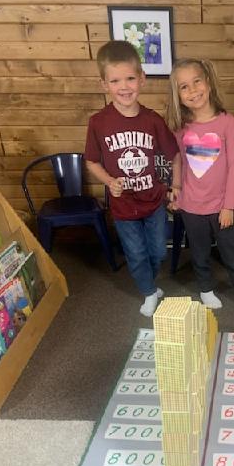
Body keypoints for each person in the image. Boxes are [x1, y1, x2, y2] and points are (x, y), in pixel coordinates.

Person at [84, 40, 179, 317]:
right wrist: (109, 181)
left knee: (158, 250)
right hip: (123, 205)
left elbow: (174, 155)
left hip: (153, 200)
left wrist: (177, 186)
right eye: (115, 80)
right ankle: (149, 291)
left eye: (130, 78)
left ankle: (149, 280)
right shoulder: (98, 122)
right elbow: (91, 161)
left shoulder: (152, 120)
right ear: (104, 84)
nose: (124, 86)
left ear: (142, 79)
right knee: (136, 253)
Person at [166, 58, 234, 317]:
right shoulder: (181, 127)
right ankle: (205, 289)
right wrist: (176, 192)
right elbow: (180, 162)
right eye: (184, 87)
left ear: (208, 82)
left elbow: (233, 167)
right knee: (199, 252)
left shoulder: (227, 121)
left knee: (233, 253)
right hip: (192, 206)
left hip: (222, 207)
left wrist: (229, 206)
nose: (193, 90)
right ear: (178, 95)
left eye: (197, 81)